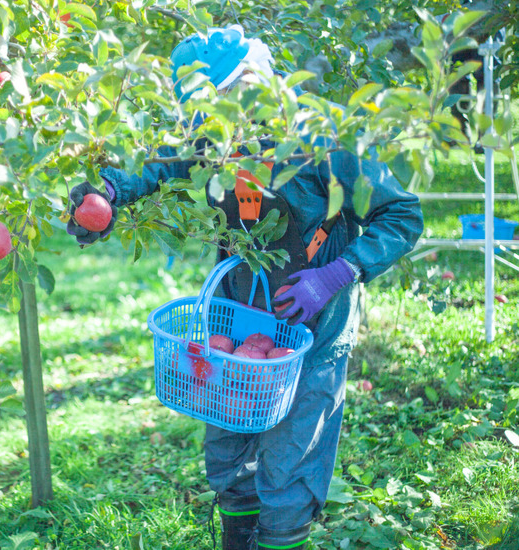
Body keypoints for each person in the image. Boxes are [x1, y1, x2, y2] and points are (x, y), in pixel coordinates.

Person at [66, 25, 424, 550]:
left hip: (313, 324)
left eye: (222, 105)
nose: (212, 125)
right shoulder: (217, 135)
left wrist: (337, 273)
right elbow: (159, 165)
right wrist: (110, 193)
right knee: (228, 445)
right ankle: (238, 536)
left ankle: (281, 535)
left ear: (255, 82)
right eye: (204, 114)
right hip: (240, 311)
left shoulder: (325, 138)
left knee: (289, 460)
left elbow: (403, 214)